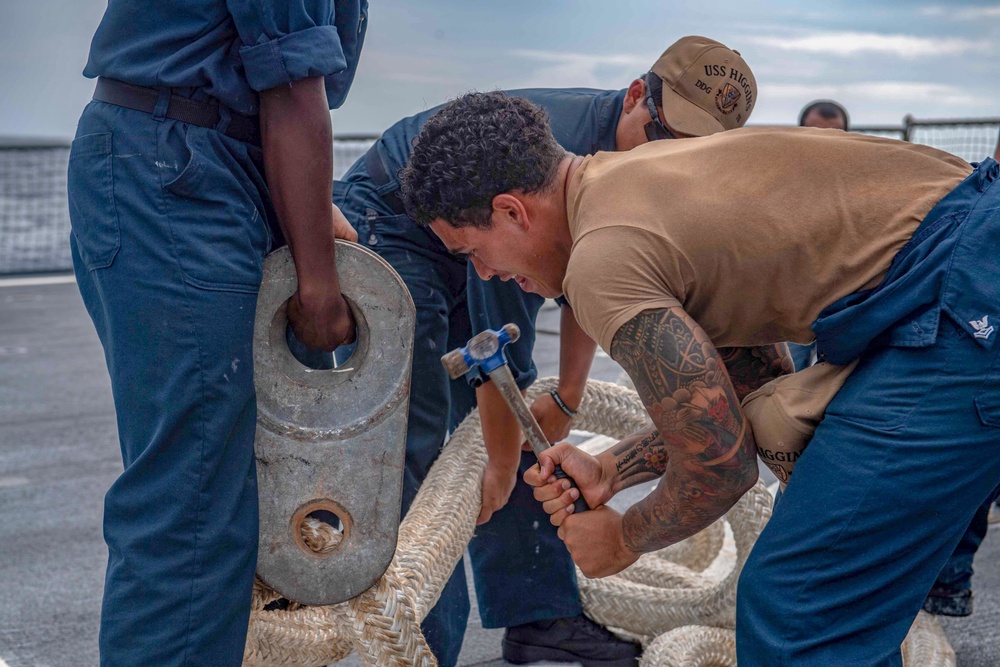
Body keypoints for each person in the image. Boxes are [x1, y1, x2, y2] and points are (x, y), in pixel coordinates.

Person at [400, 91, 1000, 665]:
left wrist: (623, 540)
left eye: (471, 252)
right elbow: (749, 380)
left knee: (801, 607)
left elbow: (723, 467)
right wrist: (613, 467)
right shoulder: (635, 178)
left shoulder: (601, 260)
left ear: (511, 211)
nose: (487, 274)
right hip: (963, 259)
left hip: (961, 294)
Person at [338, 35, 756, 667]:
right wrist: (501, 466)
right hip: (401, 222)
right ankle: (420, 650)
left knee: (525, 423)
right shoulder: (543, 168)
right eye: (664, 133)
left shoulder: (626, 174)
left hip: (481, 230)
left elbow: (587, 281)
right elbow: (496, 351)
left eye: (693, 152)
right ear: (637, 96)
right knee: (424, 441)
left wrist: (571, 393)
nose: (672, 158)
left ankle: (540, 617)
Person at [66, 2, 366, 664]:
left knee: (214, 494)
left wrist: (308, 208)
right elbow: (291, 87)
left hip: (190, 162)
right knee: (194, 505)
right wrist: (318, 284)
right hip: (177, 174)